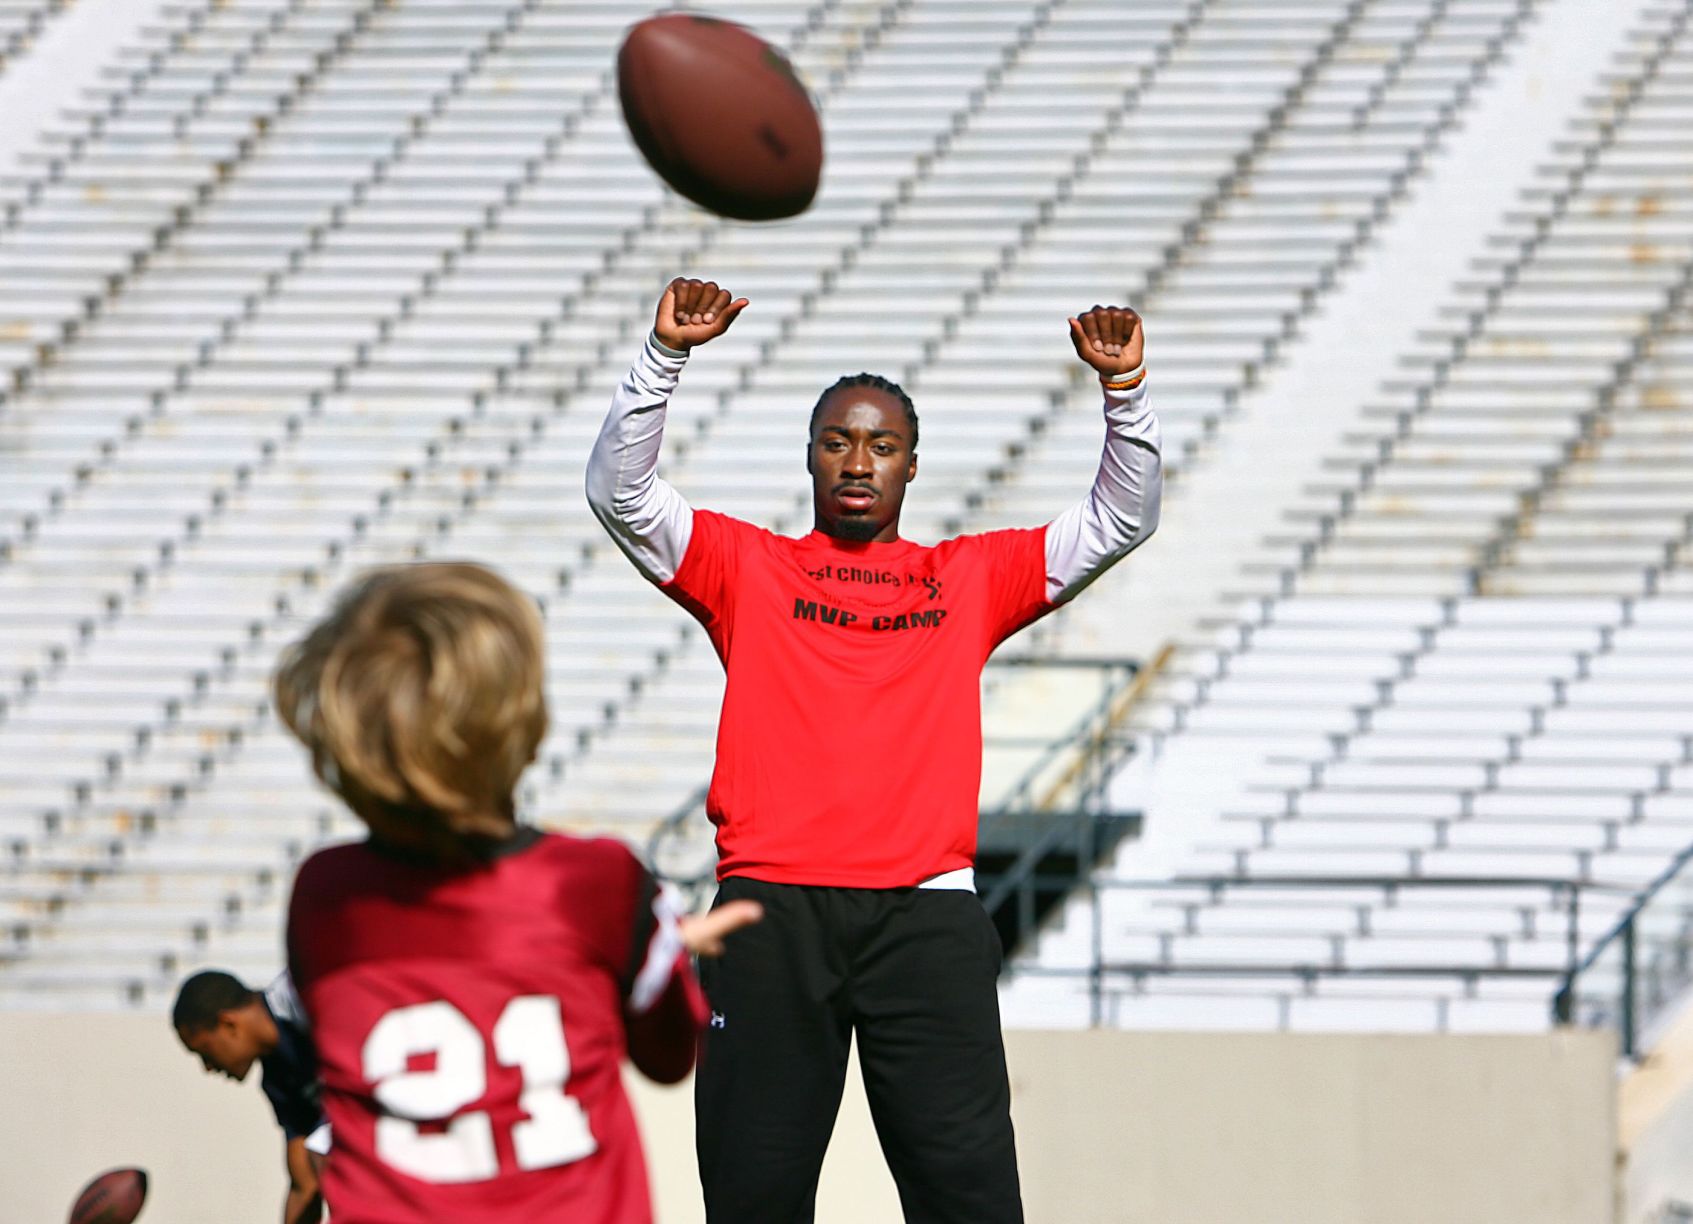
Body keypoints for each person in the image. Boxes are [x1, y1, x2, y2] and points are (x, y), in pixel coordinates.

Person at [586, 278, 1162, 1222]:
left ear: (910, 467)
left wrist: (1125, 388)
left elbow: (1117, 521)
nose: (859, 460)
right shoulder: (749, 568)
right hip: (767, 913)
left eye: (881, 445)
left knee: (968, 1197)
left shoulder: (966, 576)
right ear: (811, 457)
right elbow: (620, 493)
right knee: (752, 1197)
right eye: (838, 441)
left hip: (925, 921)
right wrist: (663, 359)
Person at [274, 561, 761, 1223]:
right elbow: (668, 1056)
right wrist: (659, 948)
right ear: (519, 721)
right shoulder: (594, 883)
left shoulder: (324, 896)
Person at [173, 969, 328, 1224]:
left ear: (228, 1024)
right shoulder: (280, 1080)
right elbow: (304, 1186)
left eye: (205, 1051)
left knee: (328, 1145)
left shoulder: (304, 997)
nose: (207, 1068)